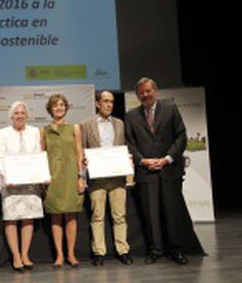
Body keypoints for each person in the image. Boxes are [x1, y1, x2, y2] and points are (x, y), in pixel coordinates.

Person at [125, 77, 202, 265]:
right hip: (146, 172)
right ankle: (155, 250)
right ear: (137, 95)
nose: (145, 95)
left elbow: (181, 137)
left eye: (148, 91)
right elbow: (129, 143)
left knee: (172, 212)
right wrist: (143, 161)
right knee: (151, 215)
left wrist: (167, 159)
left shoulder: (170, 110)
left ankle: (176, 250)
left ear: (156, 91)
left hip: (169, 171)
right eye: (141, 92)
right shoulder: (131, 115)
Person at [81, 90, 133, 266]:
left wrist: (127, 158)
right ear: (97, 104)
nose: (109, 104)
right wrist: (84, 161)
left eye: (111, 101)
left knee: (120, 216)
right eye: (105, 101)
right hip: (96, 177)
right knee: (97, 216)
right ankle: (99, 252)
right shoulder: (86, 125)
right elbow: (81, 150)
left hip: (117, 177)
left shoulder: (120, 124)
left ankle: (123, 250)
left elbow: (124, 147)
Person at [0, 101, 44, 272]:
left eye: (22, 113)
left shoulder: (35, 132)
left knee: (28, 217)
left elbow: (38, 156)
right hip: (10, 183)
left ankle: (25, 254)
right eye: (16, 113)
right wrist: (6, 176)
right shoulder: (3, 133)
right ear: (11, 116)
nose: (20, 116)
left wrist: (42, 175)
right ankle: (16, 256)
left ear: (27, 115)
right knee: (11, 218)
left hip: (30, 183)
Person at [41, 94, 85, 268]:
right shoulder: (43, 131)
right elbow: (41, 156)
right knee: (56, 217)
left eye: (61, 105)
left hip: (71, 176)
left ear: (66, 108)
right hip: (53, 178)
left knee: (71, 216)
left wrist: (81, 178)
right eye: (55, 105)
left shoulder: (75, 128)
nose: (58, 108)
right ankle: (59, 255)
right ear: (50, 109)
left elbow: (79, 153)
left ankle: (71, 254)